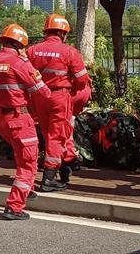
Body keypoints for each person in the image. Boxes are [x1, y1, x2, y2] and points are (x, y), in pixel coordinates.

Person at [0, 24, 53, 220]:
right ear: (20, 44)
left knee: (21, 153)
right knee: (28, 162)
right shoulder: (20, 63)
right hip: (18, 118)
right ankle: (14, 206)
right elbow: (43, 92)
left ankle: (27, 189)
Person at [27, 14, 92, 192]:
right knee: (57, 137)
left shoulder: (32, 51)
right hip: (59, 97)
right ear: (63, 33)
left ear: (46, 31)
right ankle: (48, 178)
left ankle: (65, 167)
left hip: (39, 97)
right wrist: (73, 88)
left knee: (48, 134)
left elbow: (26, 75)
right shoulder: (69, 52)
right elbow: (82, 80)